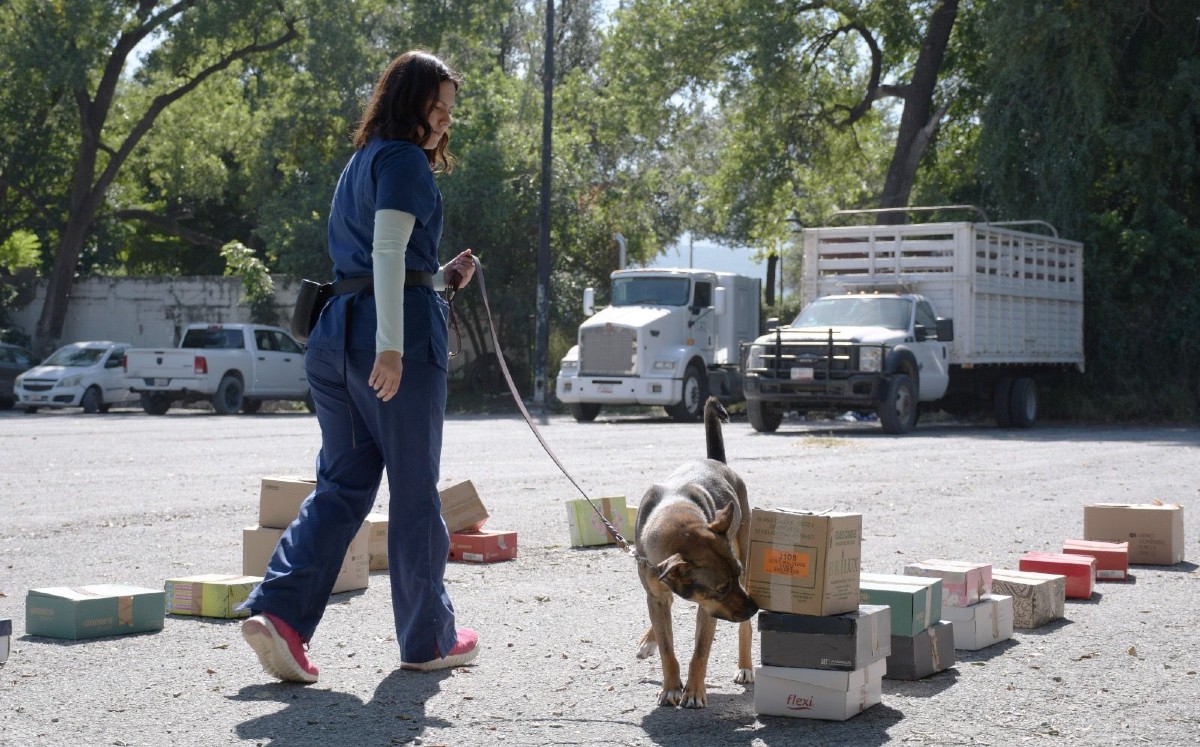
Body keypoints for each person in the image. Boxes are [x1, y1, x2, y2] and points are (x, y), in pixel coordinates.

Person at [239, 50, 478, 683]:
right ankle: (429, 637)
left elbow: (383, 262)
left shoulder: (360, 162)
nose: (445, 123)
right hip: (386, 342)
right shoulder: (403, 159)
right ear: (410, 102)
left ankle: (280, 614)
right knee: (415, 491)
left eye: (451, 113)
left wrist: (441, 279)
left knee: (342, 487)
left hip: (333, 337)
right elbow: (390, 250)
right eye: (438, 107)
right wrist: (393, 350)